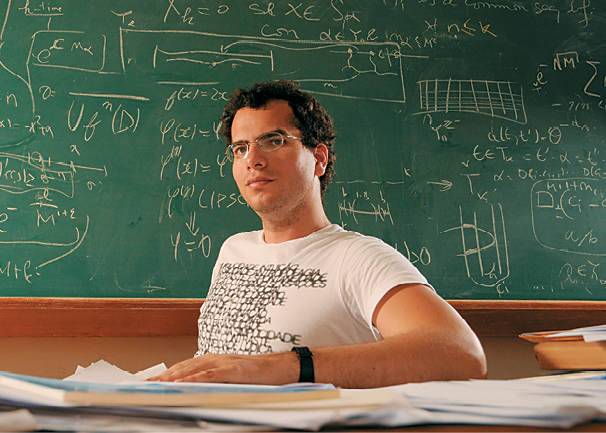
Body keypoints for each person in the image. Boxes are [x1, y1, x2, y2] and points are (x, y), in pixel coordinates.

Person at [151, 80, 487, 388]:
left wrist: (285, 367)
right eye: (240, 148)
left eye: (274, 140)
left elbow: (460, 353)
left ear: (319, 158)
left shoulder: (357, 257)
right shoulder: (234, 250)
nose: (252, 159)